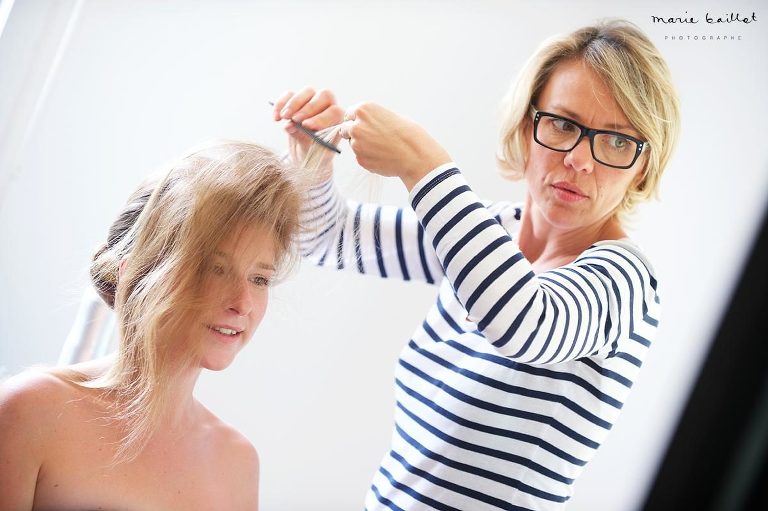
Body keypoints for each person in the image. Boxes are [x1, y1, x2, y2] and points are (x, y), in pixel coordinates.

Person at [273, 19, 679, 509]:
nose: (580, 159)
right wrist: (313, 160)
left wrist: (421, 162)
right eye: (564, 124)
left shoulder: (626, 282)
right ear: (525, 126)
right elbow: (329, 238)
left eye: (617, 141)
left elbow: (527, 321)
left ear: (643, 166)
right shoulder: (487, 236)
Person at [0, 140, 303, 510]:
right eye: (215, 269)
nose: (242, 303)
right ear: (136, 274)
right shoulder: (29, 411)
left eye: (259, 279)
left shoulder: (238, 464)